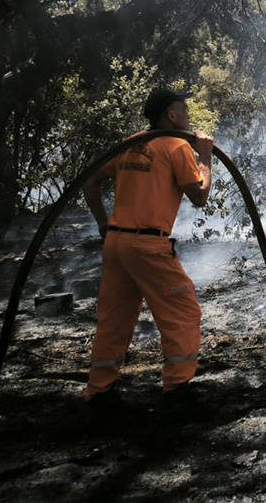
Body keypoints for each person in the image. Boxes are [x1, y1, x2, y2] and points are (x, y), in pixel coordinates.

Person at [82, 87, 213, 420]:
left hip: (117, 243)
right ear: (172, 114)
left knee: (114, 318)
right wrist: (205, 157)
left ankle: (99, 391)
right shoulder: (177, 147)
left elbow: (90, 182)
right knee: (183, 312)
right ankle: (178, 389)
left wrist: (103, 224)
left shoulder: (132, 143)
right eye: (184, 109)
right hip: (148, 246)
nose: (188, 116)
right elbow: (199, 197)